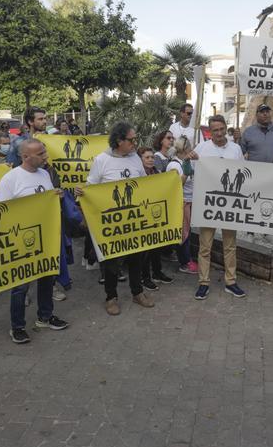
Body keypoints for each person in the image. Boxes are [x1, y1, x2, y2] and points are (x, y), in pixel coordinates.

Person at [0, 138, 73, 343]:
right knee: (21, 286)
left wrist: (55, 196)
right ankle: (17, 326)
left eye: (44, 152)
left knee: (47, 278)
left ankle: (45, 317)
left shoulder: (45, 174)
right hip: (21, 240)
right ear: (25, 156)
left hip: (46, 236)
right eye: (40, 153)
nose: (45, 156)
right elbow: (1, 213)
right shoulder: (10, 179)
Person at [83, 122, 155, 314]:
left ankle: (137, 292)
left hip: (133, 220)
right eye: (131, 139)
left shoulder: (135, 159)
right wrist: (83, 192)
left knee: (136, 258)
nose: (134, 143)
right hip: (113, 223)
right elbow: (91, 186)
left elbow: (143, 184)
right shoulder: (101, 160)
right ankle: (111, 297)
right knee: (112, 261)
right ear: (118, 141)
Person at [193, 115, 246, 299]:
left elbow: (246, 173)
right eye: (215, 130)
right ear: (210, 131)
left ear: (226, 128)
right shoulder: (201, 148)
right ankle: (203, 282)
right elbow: (190, 170)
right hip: (208, 203)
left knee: (230, 245)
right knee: (205, 246)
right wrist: (188, 158)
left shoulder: (236, 149)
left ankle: (231, 282)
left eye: (222, 129)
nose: (219, 133)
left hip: (230, 205)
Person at [136, 146, 174, 289]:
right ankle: (145, 278)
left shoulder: (157, 172)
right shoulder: (137, 175)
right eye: (147, 157)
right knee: (145, 250)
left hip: (156, 214)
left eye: (152, 157)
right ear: (140, 160)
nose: (151, 159)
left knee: (156, 247)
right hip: (142, 216)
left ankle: (157, 273)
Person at [167, 136, 198, 275]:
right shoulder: (174, 165)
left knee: (186, 232)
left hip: (189, 201)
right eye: (190, 146)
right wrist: (186, 171)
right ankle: (184, 262)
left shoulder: (187, 162)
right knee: (183, 234)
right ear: (185, 148)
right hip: (181, 202)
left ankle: (187, 258)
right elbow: (176, 186)